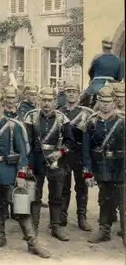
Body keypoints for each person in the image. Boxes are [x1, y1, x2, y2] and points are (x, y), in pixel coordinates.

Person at [0, 91, 50, 258]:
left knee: (21, 209)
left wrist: (21, 174)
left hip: (10, 174)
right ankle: (0, 237)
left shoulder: (13, 126)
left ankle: (32, 242)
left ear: (3, 107)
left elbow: (23, 152)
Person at [24, 86, 75, 241]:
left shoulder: (62, 119)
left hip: (56, 163)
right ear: (39, 100)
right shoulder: (31, 117)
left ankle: (56, 227)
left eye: (49, 100)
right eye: (44, 100)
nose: (46, 103)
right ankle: (33, 227)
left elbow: (70, 142)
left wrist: (60, 152)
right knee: (35, 196)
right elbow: (26, 143)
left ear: (54, 101)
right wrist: (28, 165)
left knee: (56, 196)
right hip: (36, 163)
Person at [82, 86, 125, 247]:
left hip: (121, 165)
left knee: (123, 200)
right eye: (102, 101)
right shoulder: (92, 122)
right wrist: (87, 171)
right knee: (104, 199)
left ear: (114, 102)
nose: (105, 105)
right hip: (103, 166)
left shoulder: (122, 120)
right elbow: (86, 149)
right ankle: (104, 230)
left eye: (109, 101)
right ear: (98, 101)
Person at [59, 83, 93, 231]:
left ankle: (82, 217)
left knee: (82, 187)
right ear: (65, 94)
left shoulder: (85, 113)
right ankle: (62, 215)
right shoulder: (59, 112)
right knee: (63, 186)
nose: (71, 94)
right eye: (69, 92)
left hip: (79, 152)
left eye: (74, 92)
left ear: (79, 94)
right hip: (65, 154)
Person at [83, 38, 125, 108]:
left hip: (96, 84)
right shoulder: (119, 60)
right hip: (112, 85)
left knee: (82, 101)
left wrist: (92, 80)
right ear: (111, 47)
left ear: (103, 47)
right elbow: (120, 77)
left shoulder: (97, 58)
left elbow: (90, 72)